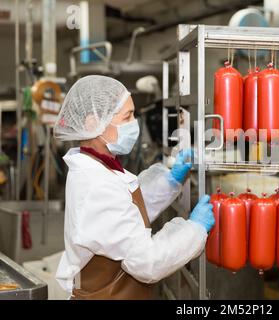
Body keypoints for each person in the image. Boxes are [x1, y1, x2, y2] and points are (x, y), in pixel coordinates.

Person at [53, 75, 214, 299]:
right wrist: (194, 229)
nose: (134, 124)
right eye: (127, 116)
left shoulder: (98, 167)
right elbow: (146, 262)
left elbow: (125, 213)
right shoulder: (96, 185)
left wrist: (170, 181)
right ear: (93, 123)